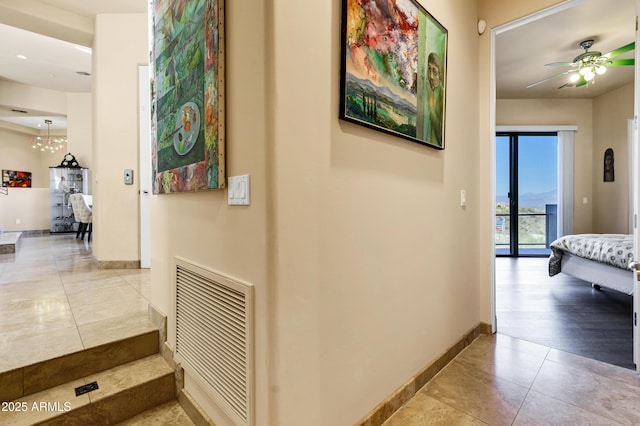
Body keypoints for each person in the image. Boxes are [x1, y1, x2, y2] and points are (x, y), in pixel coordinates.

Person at [426, 52, 444, 146]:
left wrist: (431, 108)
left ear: (439, 75)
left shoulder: (442, 94)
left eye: (434, 72)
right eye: (429, 70)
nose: (431, 76)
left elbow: (442, 134)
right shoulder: (427, 89)